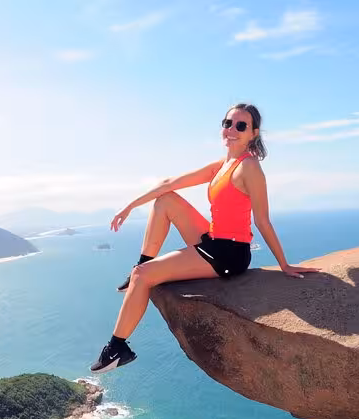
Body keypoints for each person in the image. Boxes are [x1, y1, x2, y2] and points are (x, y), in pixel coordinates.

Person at [90, 103, 320, 374]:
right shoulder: (223, 165)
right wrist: (130, 206)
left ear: (253, 133)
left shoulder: (249, 169)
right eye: (228, 123)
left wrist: (284, 264)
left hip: (229, 253)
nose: (232, 130)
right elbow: (168, 183)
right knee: (165, 200)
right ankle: (140, 265)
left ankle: (118, 348)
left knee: (144, 276)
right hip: (213, 238)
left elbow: (262, 221)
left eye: (241, 126)